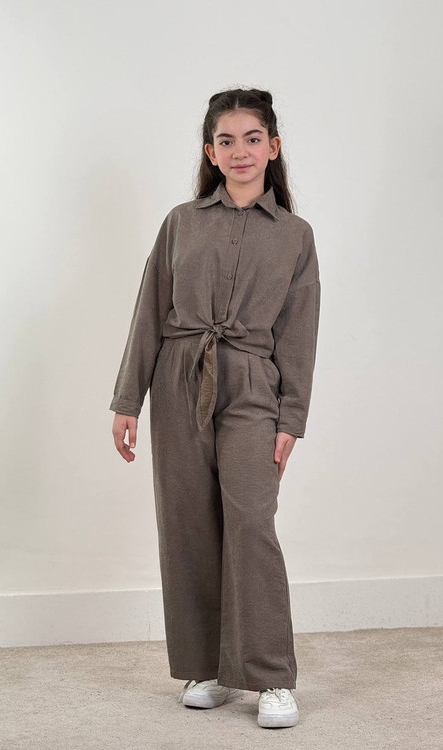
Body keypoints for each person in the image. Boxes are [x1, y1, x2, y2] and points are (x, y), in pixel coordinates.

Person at [109, 87, 321, 729]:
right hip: (178, 377)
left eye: (252, 138)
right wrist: (128, 400)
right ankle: (205, 667)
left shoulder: (295, 236)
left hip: (253, 384)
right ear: (210, 152)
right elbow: (150, 309)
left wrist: (291, 418)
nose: (239, 151)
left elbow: (299, 332)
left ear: (273, 147)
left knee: (252, 521)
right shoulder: (181, 221)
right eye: (225, 141)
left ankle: (271, 676)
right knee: (187, 522)